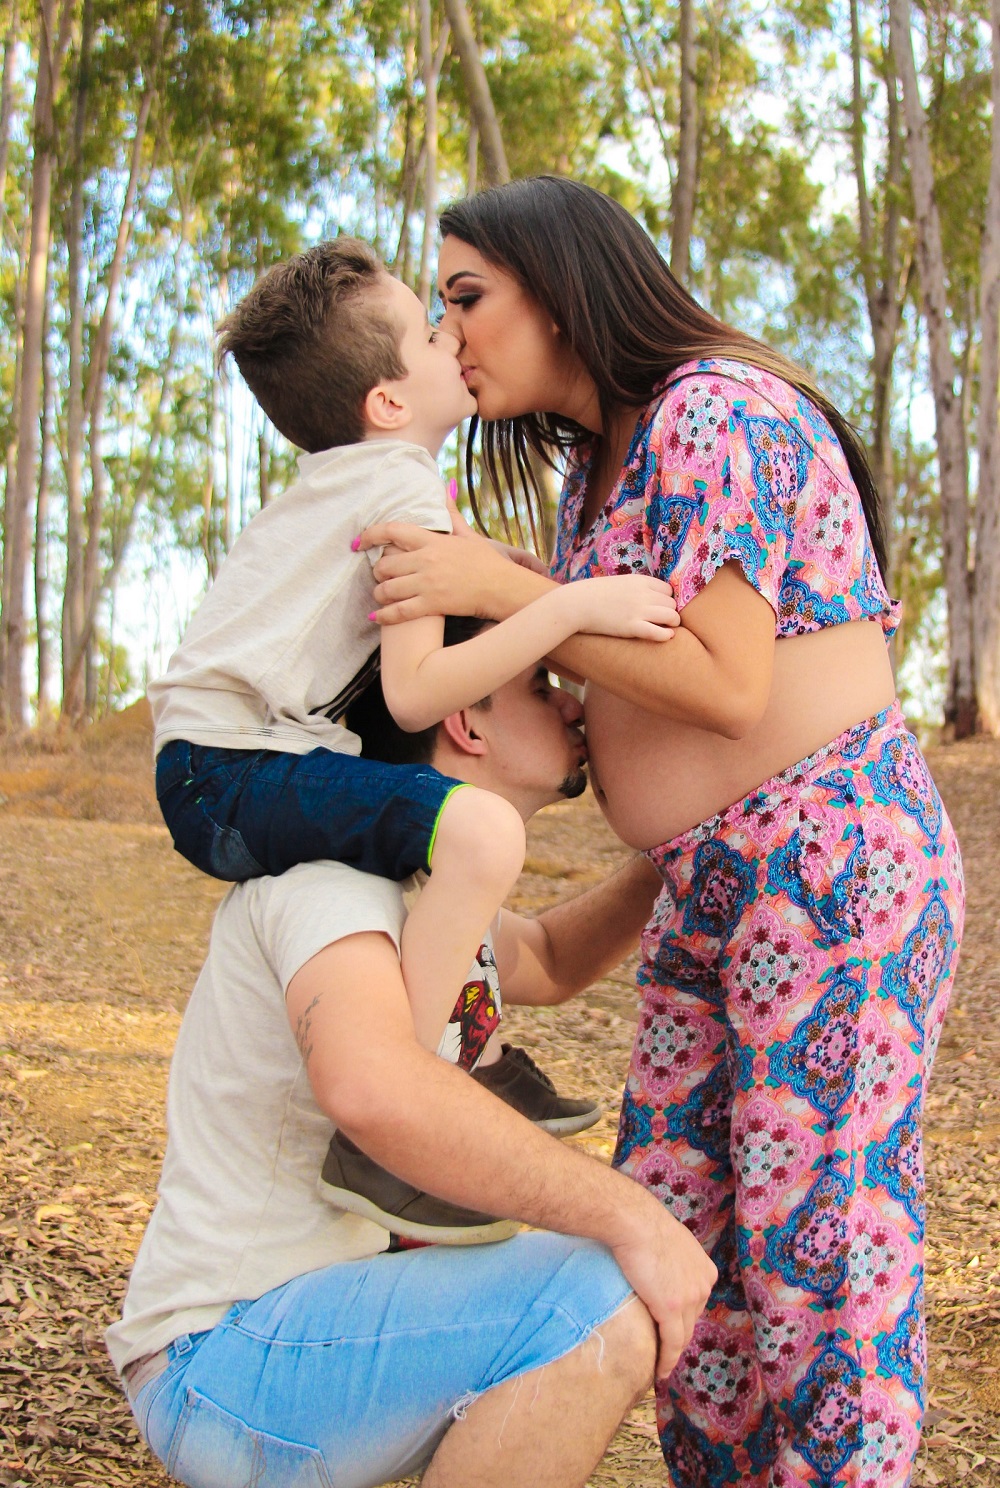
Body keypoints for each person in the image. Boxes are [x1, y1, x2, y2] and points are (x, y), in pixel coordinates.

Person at [356, 176, 966, 1487]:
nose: (452, 334)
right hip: (706, 890)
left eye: (468, 297)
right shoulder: (599, 472)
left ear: (561, 287)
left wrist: (509, 587)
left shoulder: (713, 409)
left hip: (829, 867)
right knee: (687, 1267)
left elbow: (727, 682)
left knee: (820, 1258)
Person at [147, 237, 678, 1239]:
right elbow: (416, 691)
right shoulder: (397, 482)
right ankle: (412, 1109)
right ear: (389, 403)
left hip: (221, 767)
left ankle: (458, 1070)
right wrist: (568, 610)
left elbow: (556, 959)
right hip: (229, 769)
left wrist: (514, 578)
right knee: (477, 835)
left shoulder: (358, 481)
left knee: (453, 851)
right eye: (436, 332)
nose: (457, 341)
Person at [107, 650, 718, 1488]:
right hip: (223, 1355)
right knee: (594, 1300)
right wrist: (633, 1219)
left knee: (590, 1290)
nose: (575, 708)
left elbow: (544, 953)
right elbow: (372, 1088)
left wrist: (677, 851)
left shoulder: (422, 884)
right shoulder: (334, 882)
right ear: (464, 720)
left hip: (304, 1336)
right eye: (541, 687)